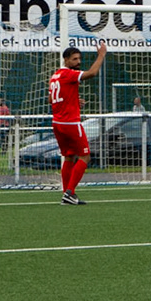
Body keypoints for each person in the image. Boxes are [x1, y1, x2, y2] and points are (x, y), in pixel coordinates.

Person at [50, 42, 106, 204]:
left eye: (79, 59)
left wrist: (73, 100)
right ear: (66, 59)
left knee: (69, 157)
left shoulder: (55, 76)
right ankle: (70, 192)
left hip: (57, 123)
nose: (78, 62)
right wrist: (101, 55)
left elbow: (51, 99)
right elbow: (92, 73)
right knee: (85, 156)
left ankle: (66, 194)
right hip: (70, 123)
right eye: (74, 59)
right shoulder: (69, 74)